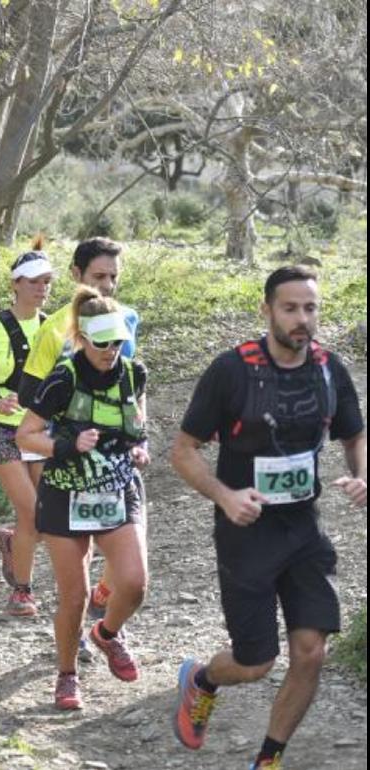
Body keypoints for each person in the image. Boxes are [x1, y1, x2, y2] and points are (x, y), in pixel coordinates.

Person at [170, 265, 365, 770]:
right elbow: (184, 451)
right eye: (290, 308)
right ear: (267, 310)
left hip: (304, 529)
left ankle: (269, 759)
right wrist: (224, 495)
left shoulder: (328, 368)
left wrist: (361, 473)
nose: (303, 319)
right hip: (247, 535)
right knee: (256, 663)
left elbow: (354, 435)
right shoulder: (232, 370)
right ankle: (203, 679)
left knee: (311, 650)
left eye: (311, 308)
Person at [16, 287, 150, 710]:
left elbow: (137, 421)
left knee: (134, 584)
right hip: (65, 494)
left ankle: (106, 635)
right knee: (74, 597)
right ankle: (67, 675)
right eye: (101, 342)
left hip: (116, 489)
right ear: (84, 338)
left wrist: (139, 445)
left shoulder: (133, 373)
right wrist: (68, 444)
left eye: (117, 342)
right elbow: (26, 436)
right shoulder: (64, 379)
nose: (110, 350)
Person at [13, 237, 142, 631]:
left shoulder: (128, 318)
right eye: (98, 276)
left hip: (114, 458)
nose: (106, 284)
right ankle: (76, 630)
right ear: (77, 276)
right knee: (76, 568)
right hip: (65, 456)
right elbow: (27, 396)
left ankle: (104, 602)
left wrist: (136, 436)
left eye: (113, 277)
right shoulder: (54, 329)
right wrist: (70, 422)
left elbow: (131, 386)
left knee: (132, 567)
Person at [0, 244, 53, 616]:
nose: (42, 289)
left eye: (47, 282)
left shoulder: (53, 327)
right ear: (16, 284)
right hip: (0, 432)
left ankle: (10, 543)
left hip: (38, 431)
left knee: (44, 514)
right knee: (33, 511)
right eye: (35, 282)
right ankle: (22, 592)